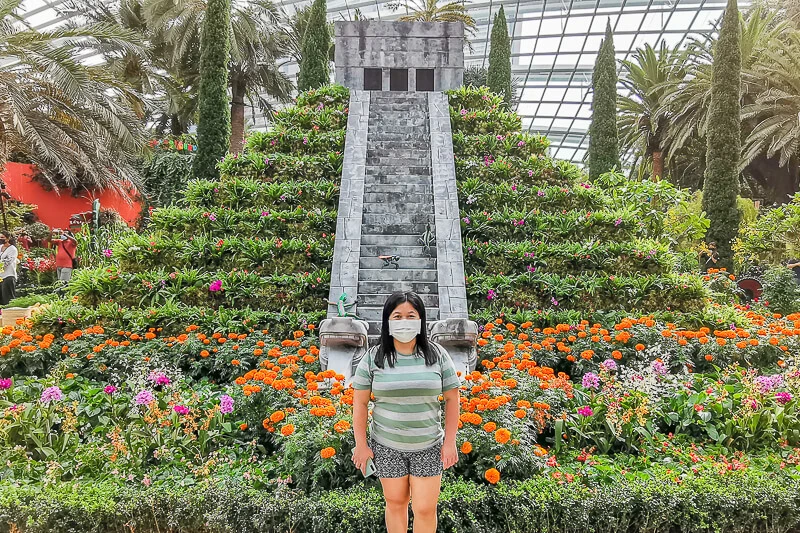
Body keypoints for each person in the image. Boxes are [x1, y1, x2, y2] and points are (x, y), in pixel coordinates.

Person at [351, 292, 461, 533]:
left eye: (411, 315)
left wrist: (450, 442)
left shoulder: (437, 355)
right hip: (387, 445)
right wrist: (361, 445)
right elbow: (359, 403)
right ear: (387, 321)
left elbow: (453, 399)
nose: (404, 321)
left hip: (428, 445)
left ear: (421, 320)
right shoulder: (373, 358)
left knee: (424, 508)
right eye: (397, 316)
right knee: (396, 503)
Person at [0, 232, 18, 305]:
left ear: (7, 239)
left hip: (8, 276)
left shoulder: (12, 249)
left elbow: (7, 262)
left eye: (2, 237)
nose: (0, 239)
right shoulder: (0, 247)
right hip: (0, 276)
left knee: (8, 299)